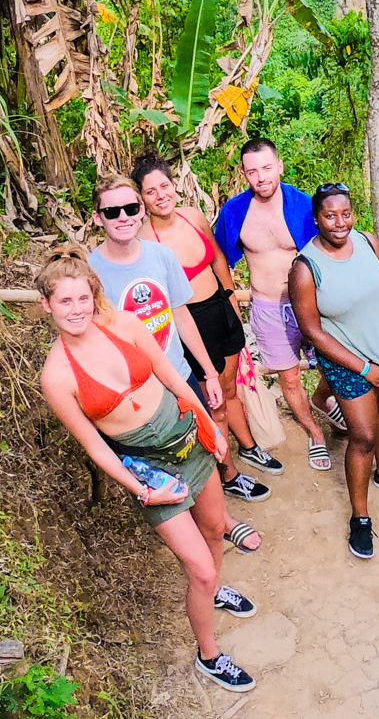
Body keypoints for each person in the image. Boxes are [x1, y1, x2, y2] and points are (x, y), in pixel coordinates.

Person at [34, 247, 259, 693]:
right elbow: (97, 448)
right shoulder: (56, 376)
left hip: (185, 436)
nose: (75, 309)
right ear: (47, 304)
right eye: (64, 301)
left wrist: (208, 425)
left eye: (82, 298)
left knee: (215, 530)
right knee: (199, 567)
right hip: (149, 470)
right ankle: (209, 654)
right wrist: (141, 488)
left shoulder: (122, 324)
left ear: (93, 294)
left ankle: (215, 593)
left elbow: (175, 379)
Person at [89, 175, 269, 507]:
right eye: (112, 212)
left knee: (200, 432)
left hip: (179, 366)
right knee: (163, 447)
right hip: (139, 381)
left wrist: (208, 373)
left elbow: (179, 315)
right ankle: (187, 506)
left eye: (130, 208)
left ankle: (222, 498)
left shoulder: (160, 255)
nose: (123, 217)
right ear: (98, 217)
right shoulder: (91, 272)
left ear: (139, 209)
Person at [289, 183, 379, 559]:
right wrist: (364, 368)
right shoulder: (305, 267)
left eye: (345, 214)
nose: (339, 223)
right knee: (362, 435)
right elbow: (312, 331)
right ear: (316, 218)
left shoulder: (369, 243)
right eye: (329, 216)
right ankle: (360, 517)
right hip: (347, 360)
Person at [132, 153, 284, 479]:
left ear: (174, 185)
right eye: (150, 191)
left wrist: (230, 301)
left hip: (220, 307)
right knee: (212, 400)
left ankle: (247, 446)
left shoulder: (192, 217)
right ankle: (228, 473)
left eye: (164, 186)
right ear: (141, 198)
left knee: (229, 389)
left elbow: (217, 259)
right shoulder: (144, 241)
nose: (161, 195)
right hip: (190, 324)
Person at [214, 138, 335, 473]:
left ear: (279, 166)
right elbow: (218, 255)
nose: (261, 177)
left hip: (308, 303)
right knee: (290, 378)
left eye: (267, 168)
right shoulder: (235, 211)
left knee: (332, 365)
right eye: (252, 171)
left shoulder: (303, 204)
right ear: (244, 174)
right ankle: (314, 433)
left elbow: (330, 245)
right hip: (266, 306)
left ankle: (322, 399)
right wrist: (228, 304)